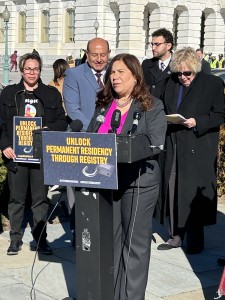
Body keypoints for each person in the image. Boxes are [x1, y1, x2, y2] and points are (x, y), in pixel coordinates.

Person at [87, 53, 167, 300]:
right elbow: (90, 139)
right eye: (112, 72)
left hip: (139, 184)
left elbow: (155, 142)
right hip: (106, 184)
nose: (115, 76)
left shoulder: (152, 106)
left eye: (121, 72)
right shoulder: (104, 105)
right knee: (110, 245)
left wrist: (126, 145)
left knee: (134, 247)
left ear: (135, 76)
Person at [158, 47, 225, 254]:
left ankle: (195, 240)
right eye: (179, 73)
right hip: (173, 142)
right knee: (172, 187)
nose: (183, 77)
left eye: (187, 73)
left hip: (198, 145)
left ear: (195, 69)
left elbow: (220, 114)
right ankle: (175, 236)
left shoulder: (212, 83)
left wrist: (199, 122)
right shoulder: (170, 82)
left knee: (192, 192)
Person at [0, 53, 67, 255]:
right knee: (16, 200)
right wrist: (4, 146)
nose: (32, 72)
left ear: (40, 70)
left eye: (35, 69)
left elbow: (62, 122)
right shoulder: (10, 93)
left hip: (40, 156)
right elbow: (1, 124)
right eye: (28, 69)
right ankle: (15, 239)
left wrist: (48, 128)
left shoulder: (51, 94)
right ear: (21, 70)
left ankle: (40, 239)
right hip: (16, 155)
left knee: (40, 200)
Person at [63, 37, 111, 247]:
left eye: (103, 54)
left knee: (106, 185)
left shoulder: (116, 72)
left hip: (110, 138)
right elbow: (73, 109)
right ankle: (78, 232)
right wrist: (96, 131)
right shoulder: (74, 74)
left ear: (109, 54)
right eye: (94, 54)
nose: (99, 59)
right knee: (78, 189)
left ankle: (104, 231)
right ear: (87, 53)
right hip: (83, 137)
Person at [142, 27, 173, 100]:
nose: (153, 48)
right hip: (149, 108)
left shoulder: (178, 65)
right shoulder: (146, 64)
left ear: (168, 46)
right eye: (152, 44)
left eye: (157, 44)